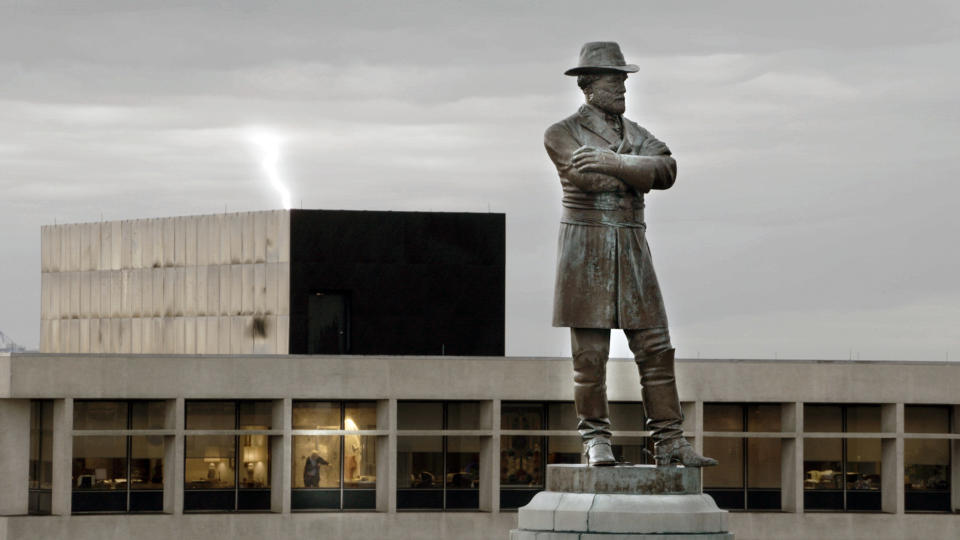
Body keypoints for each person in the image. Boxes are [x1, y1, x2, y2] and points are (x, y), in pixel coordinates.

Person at [543, 42, 717, 468]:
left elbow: (667, 170)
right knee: (589, 356)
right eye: (613, 78)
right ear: (588, 85)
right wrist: (633, 170)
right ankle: (596, 440)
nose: (623, 86)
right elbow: (586, 180)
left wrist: (611, 162)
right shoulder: (561, 133)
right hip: (586, 249)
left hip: (633, 247)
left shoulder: (637, 132)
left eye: (623, 78)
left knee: (656, 346)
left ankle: (670, 441)